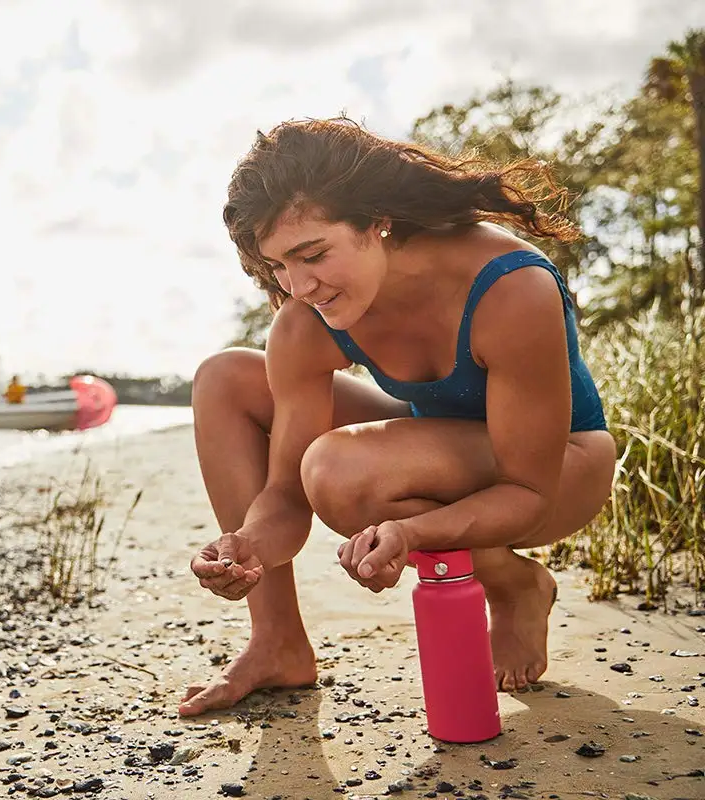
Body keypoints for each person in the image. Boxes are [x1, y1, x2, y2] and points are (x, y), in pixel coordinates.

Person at [182, 117, 616, 717]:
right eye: (278, 265)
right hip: (444, 449)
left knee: (340, 470)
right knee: (224, 379)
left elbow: (528, 491)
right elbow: (286, 493)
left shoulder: (510, 288)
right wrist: (247, 544)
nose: (299, 285)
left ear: (376, 219)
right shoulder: (306, 317)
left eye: (313, 255)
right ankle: (276, 641)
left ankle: (512, 582)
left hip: (561, 468)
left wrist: (414, 534)